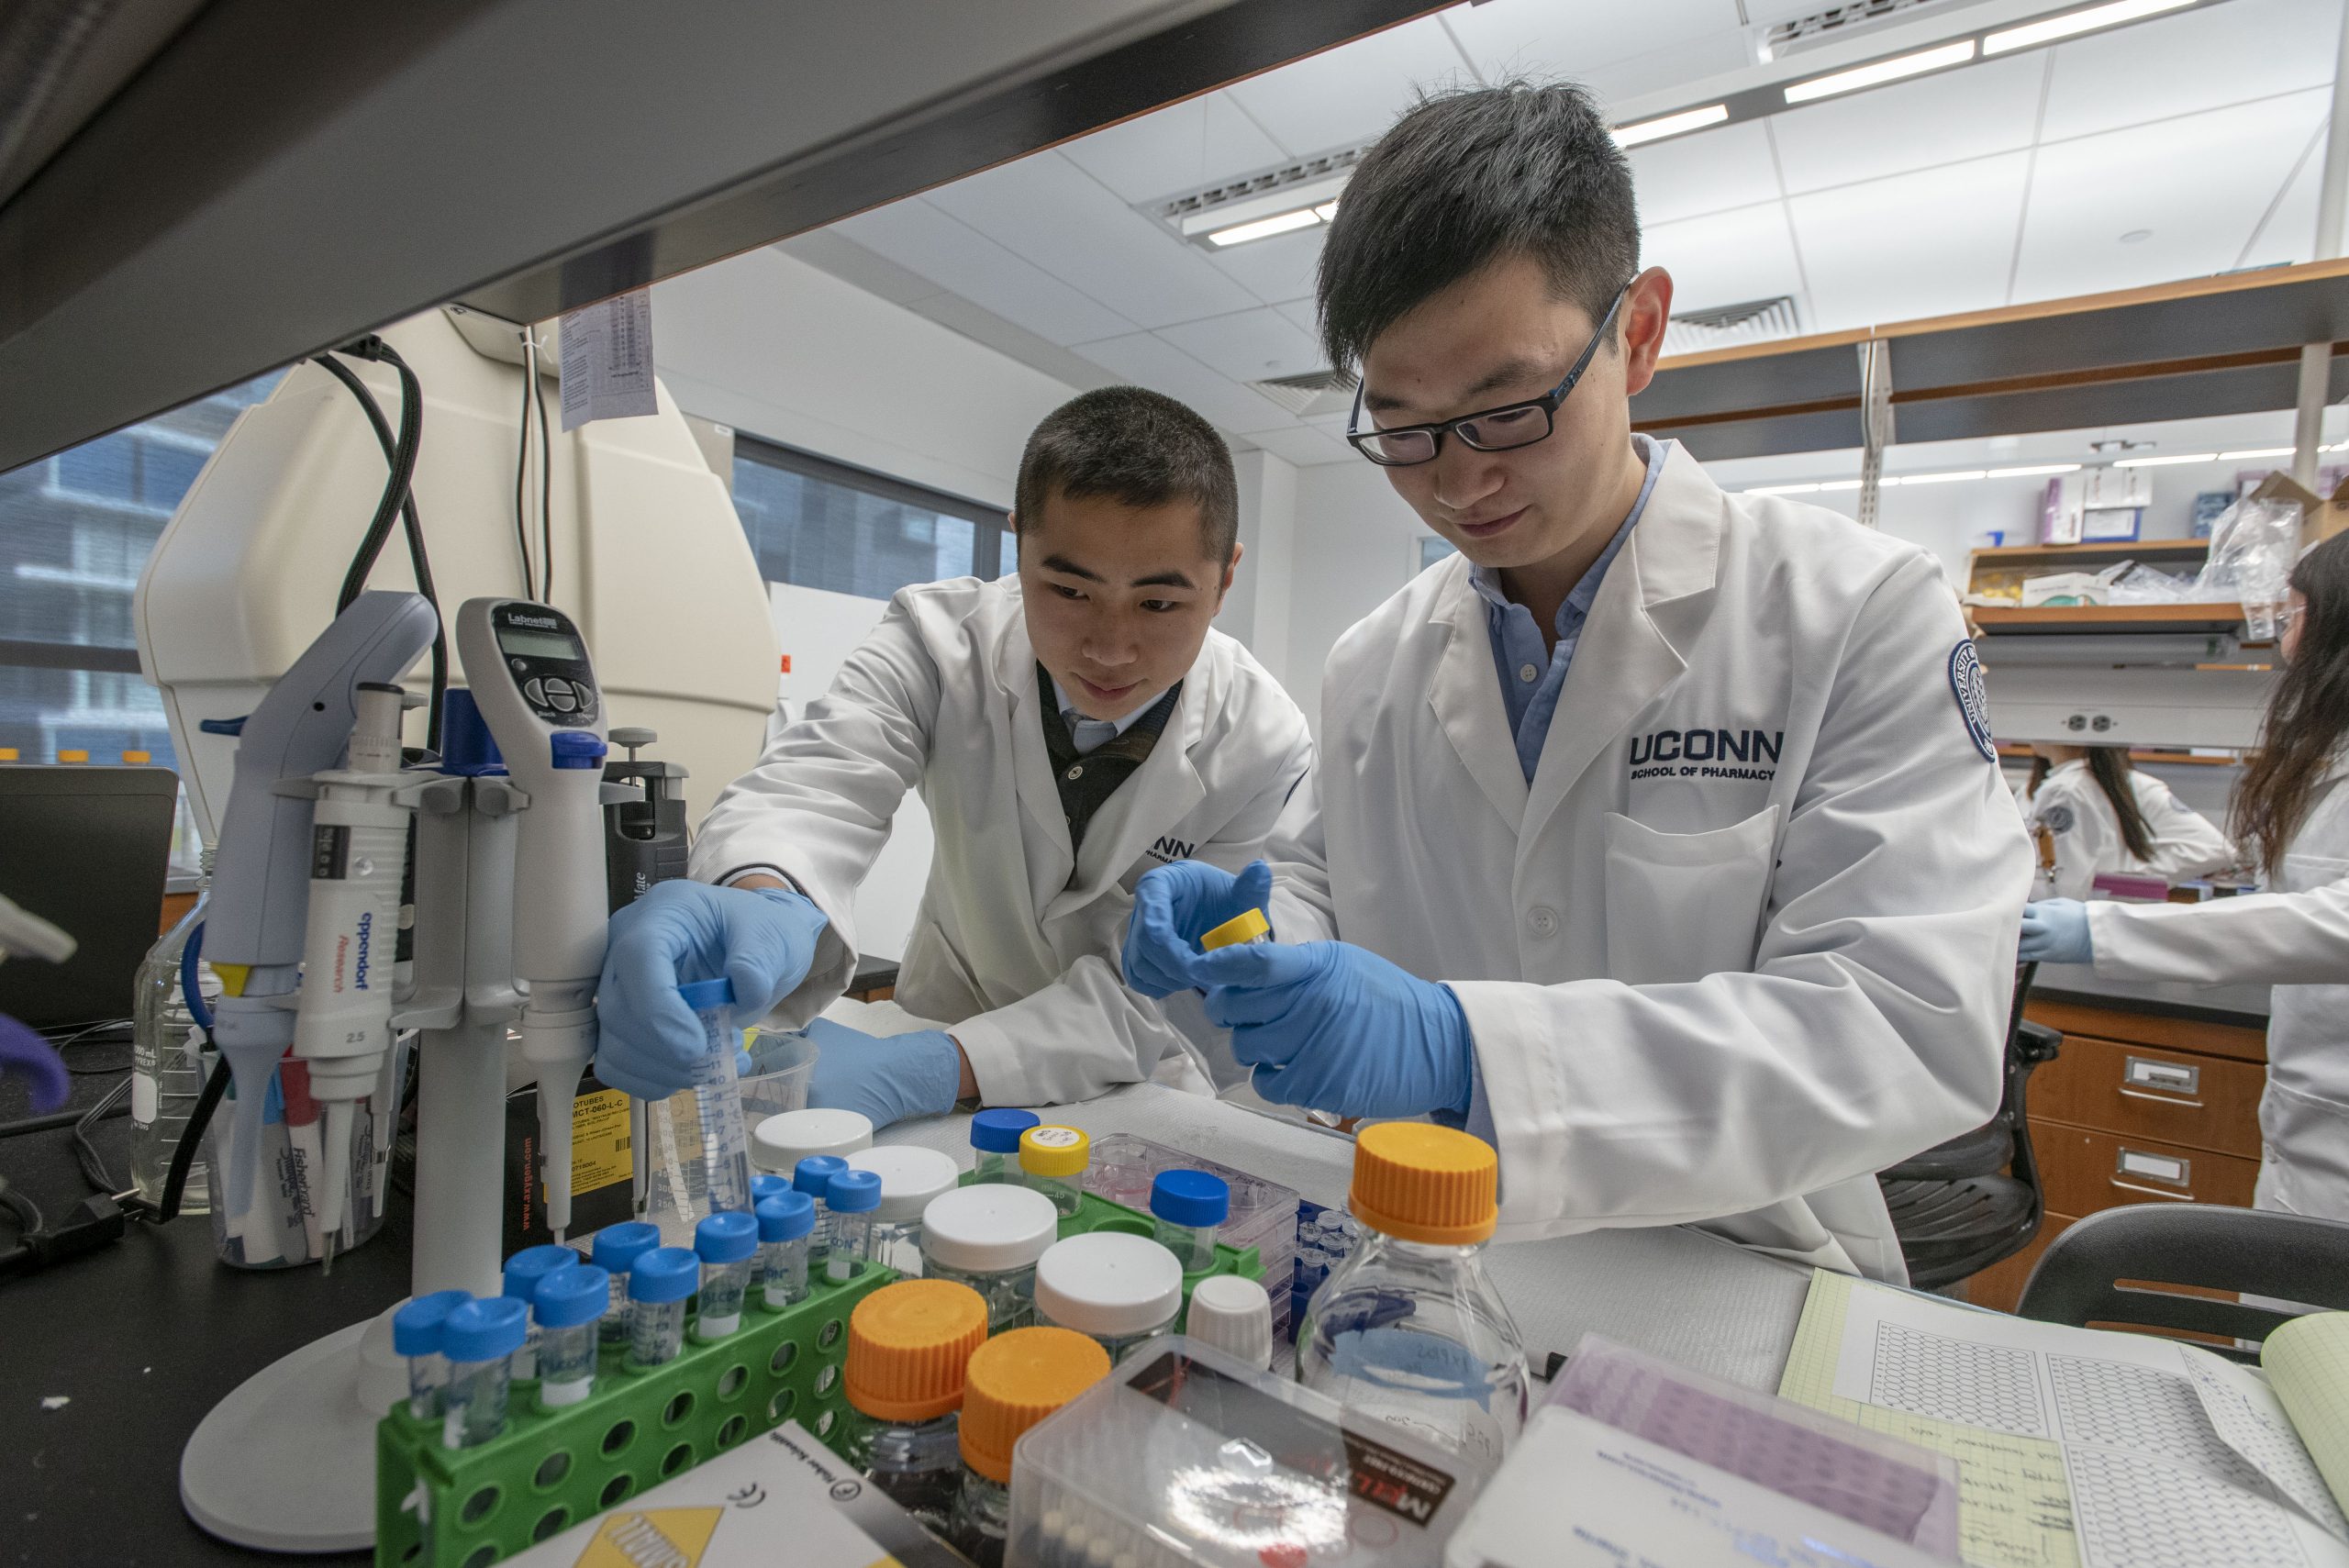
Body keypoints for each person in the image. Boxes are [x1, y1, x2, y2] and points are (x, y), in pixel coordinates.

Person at [1123, 83, 2030, 1282]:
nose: (1455, 483)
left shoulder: (1858, 612)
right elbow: (1319, 879)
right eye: (1402, 426)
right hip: (1423, 1255)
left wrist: (1464, 1053)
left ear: (1639, 333)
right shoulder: (1371, 663)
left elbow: (1907, 1021)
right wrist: (1255, 937)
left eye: (1504, 408)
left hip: (1738, 1268)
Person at [593, 386, 1314, 1128]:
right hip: (940, 1016)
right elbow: (823, 784)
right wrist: (762, 894)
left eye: (1158, 604)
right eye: (1068, 589)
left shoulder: (1261, 741)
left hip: (1123, 1081)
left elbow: (1166, 986)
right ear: (1018, 545)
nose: (1109, 646)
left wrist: (941, 1070)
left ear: (1225, 578)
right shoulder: (937, 639)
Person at [2021, 535, 2349, 1218]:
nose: (2284, 644)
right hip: (2313, 1120)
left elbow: (2334, 920)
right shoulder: (2329, 762)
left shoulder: (2066, 787)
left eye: (2292, 617)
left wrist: (2099, 924)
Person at [2021, 742, 2232, 900]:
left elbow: (2215, 850)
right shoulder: (2033, 790)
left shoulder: (2069, 788)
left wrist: (2122, 879)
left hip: (2081, 921)